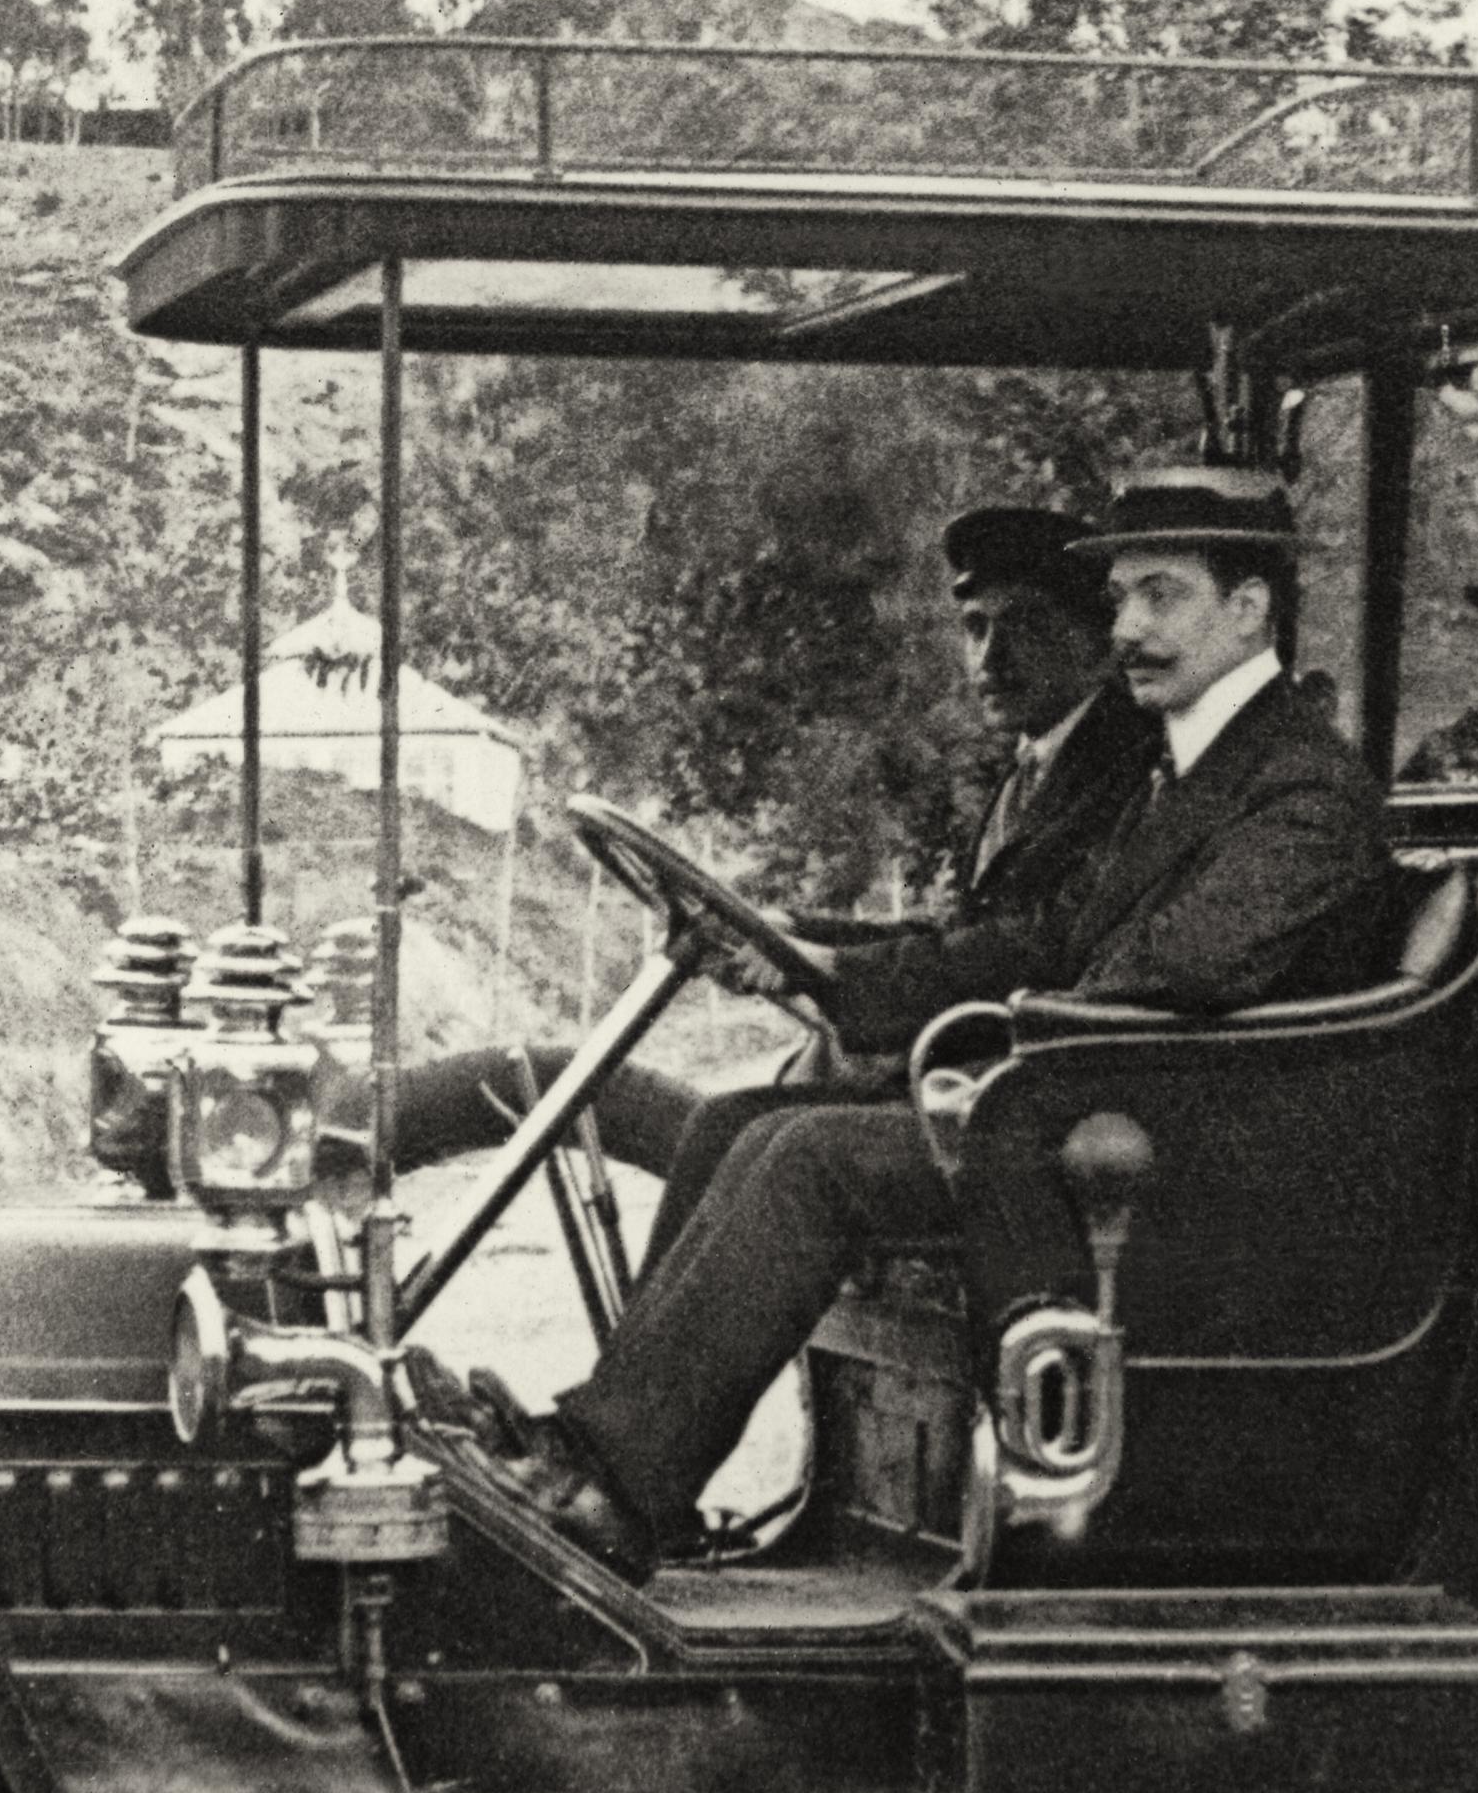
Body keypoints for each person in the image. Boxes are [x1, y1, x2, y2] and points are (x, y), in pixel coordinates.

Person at [462, 460, 1398, 1576]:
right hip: (1103, 1116)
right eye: (1124, 599)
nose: (1130, 629)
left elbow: (1177, 974)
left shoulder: (1296, 785)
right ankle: (621, 1471)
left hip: (1176, 1153)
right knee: (736, 1125)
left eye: (1163, 595)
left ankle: (612, 1477)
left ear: (1247, 610)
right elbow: (1052, 946)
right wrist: (835, 973)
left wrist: (967, 1063)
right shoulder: (1189, 766)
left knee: (810, 1156)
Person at [640, 503, 1164, 1257]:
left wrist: (835, 969)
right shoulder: (1044, 757)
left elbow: (1033, 947)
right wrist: (797, 934)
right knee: (723, 1122)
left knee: (764, 1135)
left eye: (1026, 625)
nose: (992, 658)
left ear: (1095, 639)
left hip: (1034, 1096)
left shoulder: (1122, 763)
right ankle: (629, 1374)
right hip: (990, 1073)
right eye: (977, 628)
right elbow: (960, 936)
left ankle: (641, 1379)